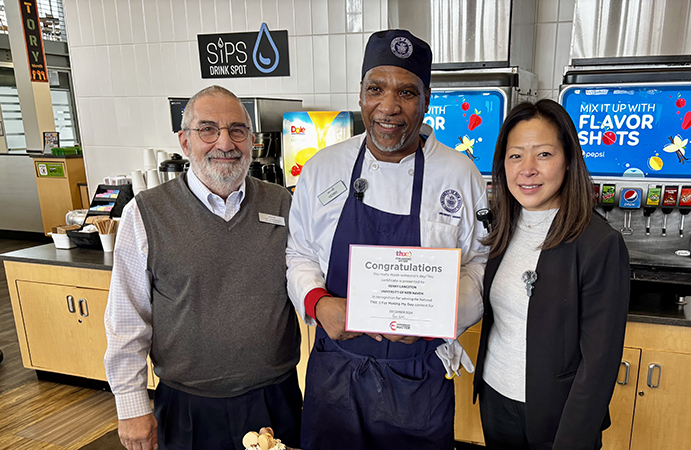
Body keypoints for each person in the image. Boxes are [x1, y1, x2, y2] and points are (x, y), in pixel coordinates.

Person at [286, 29, 488, 450]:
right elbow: (300, 252)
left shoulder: (459, 174)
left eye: (407, 92)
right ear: (360, 95)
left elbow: (480, 264)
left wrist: (439, 315)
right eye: (376, 89)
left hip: (417, 377)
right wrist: (318, 303)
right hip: (335, 372)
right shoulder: (323, 168)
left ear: (427, 100)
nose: (389, 107)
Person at [104, 85, 302, 450]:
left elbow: (306, 278)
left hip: (276, 400)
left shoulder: (282, 202)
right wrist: (130, 407)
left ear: (252, 140)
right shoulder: (145, 214)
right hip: (187, 406)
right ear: (184, 141)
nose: (225, 143)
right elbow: (127, 319)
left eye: (237, 130)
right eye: (208, 129)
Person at [472, 99, 630, 450]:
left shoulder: (599, 244)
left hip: (557, 415)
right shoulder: (503, 229)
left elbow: (599, 366)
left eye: (543, 154)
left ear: (569, 160)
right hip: (496, 399)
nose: (527, 169)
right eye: (515, 156)